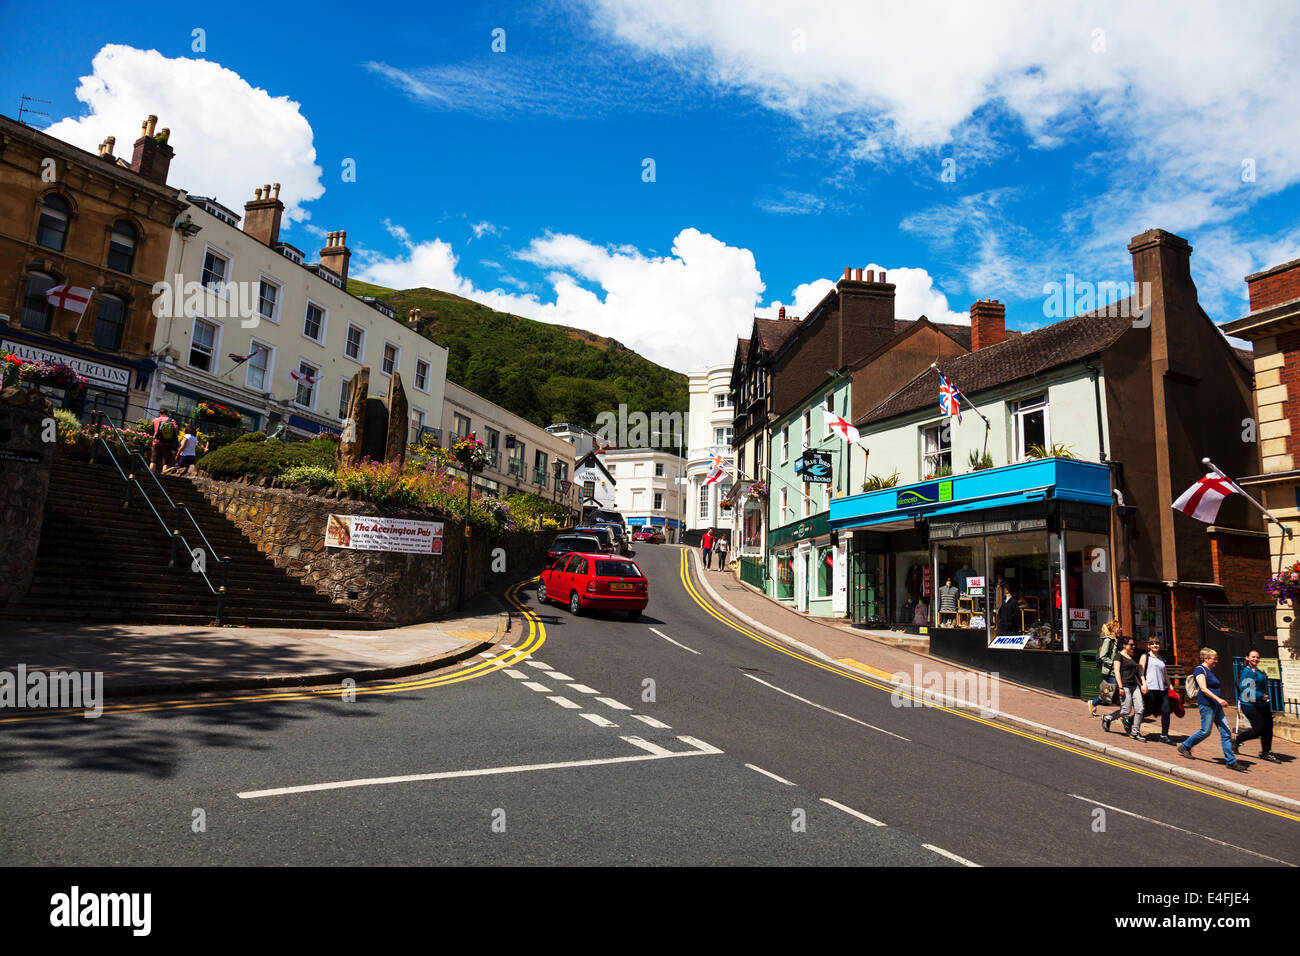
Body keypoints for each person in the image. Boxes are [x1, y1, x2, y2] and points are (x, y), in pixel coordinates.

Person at [1178, 647, 1243, 771]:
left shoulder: (1210, 670)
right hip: (1207, 705)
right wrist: (1218, 699)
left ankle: (1231, 761)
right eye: (1214, 659)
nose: (1216, 661)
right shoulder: (1199, 670)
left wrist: (1218, 702)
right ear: (1206, 659)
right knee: (1205, 731)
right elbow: (1203, 688)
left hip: (1216, 706)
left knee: (1225, 732)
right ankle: (1185, 746)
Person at [1235, 649, 1278, 762]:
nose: (1255, 659)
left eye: (1257, 657)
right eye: (1253, 657)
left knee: (1268, 728)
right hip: (1250, 705)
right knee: (1258, 729)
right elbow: (1245, 689)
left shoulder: (1257, 671)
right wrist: (1260, 695)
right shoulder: (1247, 671)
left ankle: (1266, 752)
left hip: (1262, 704)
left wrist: (1264, 676)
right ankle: (1237, 740)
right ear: (1247, 658)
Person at [1102, 635, 1146, 740]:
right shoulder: (1119, 656)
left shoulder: (1131, 657)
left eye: (1134, 644)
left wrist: (1141, 686)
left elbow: (1134, 674)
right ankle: (1107, 718)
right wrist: (1120, 687)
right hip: (1125, 686)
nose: (1133, 646)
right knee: (1126, 711)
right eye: (1131, 645)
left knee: (1140, 709)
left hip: (1134, 686)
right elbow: (1117, 672)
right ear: (1124, 645)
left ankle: (1135, 732)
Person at [1139, 636, 1172, 743]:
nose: (1155, 645)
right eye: (1152, 643)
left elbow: (1165, 674)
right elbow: (1141, 673)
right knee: (1148, 711)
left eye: (1157, 643)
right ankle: (1130, 721)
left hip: (1162, 689)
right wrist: (1144, 684)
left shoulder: (1161, 659)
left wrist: (1170, 686)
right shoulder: (1145, 656)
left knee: (1166, 710)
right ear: (1148, 646)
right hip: (1150, 688)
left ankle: (1164, 735)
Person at [1088, 620, 1122, 716]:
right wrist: (1114, 663)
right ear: (1114, 629)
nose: (1121, 629)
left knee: (1111, 691)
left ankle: (1121, 712)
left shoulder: (1117, 640)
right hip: (1110, 671)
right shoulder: (1108, 640)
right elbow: (1103, 656)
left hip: (1116, 670)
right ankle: (1093, 703)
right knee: (1109, 691)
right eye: (1119, 627)